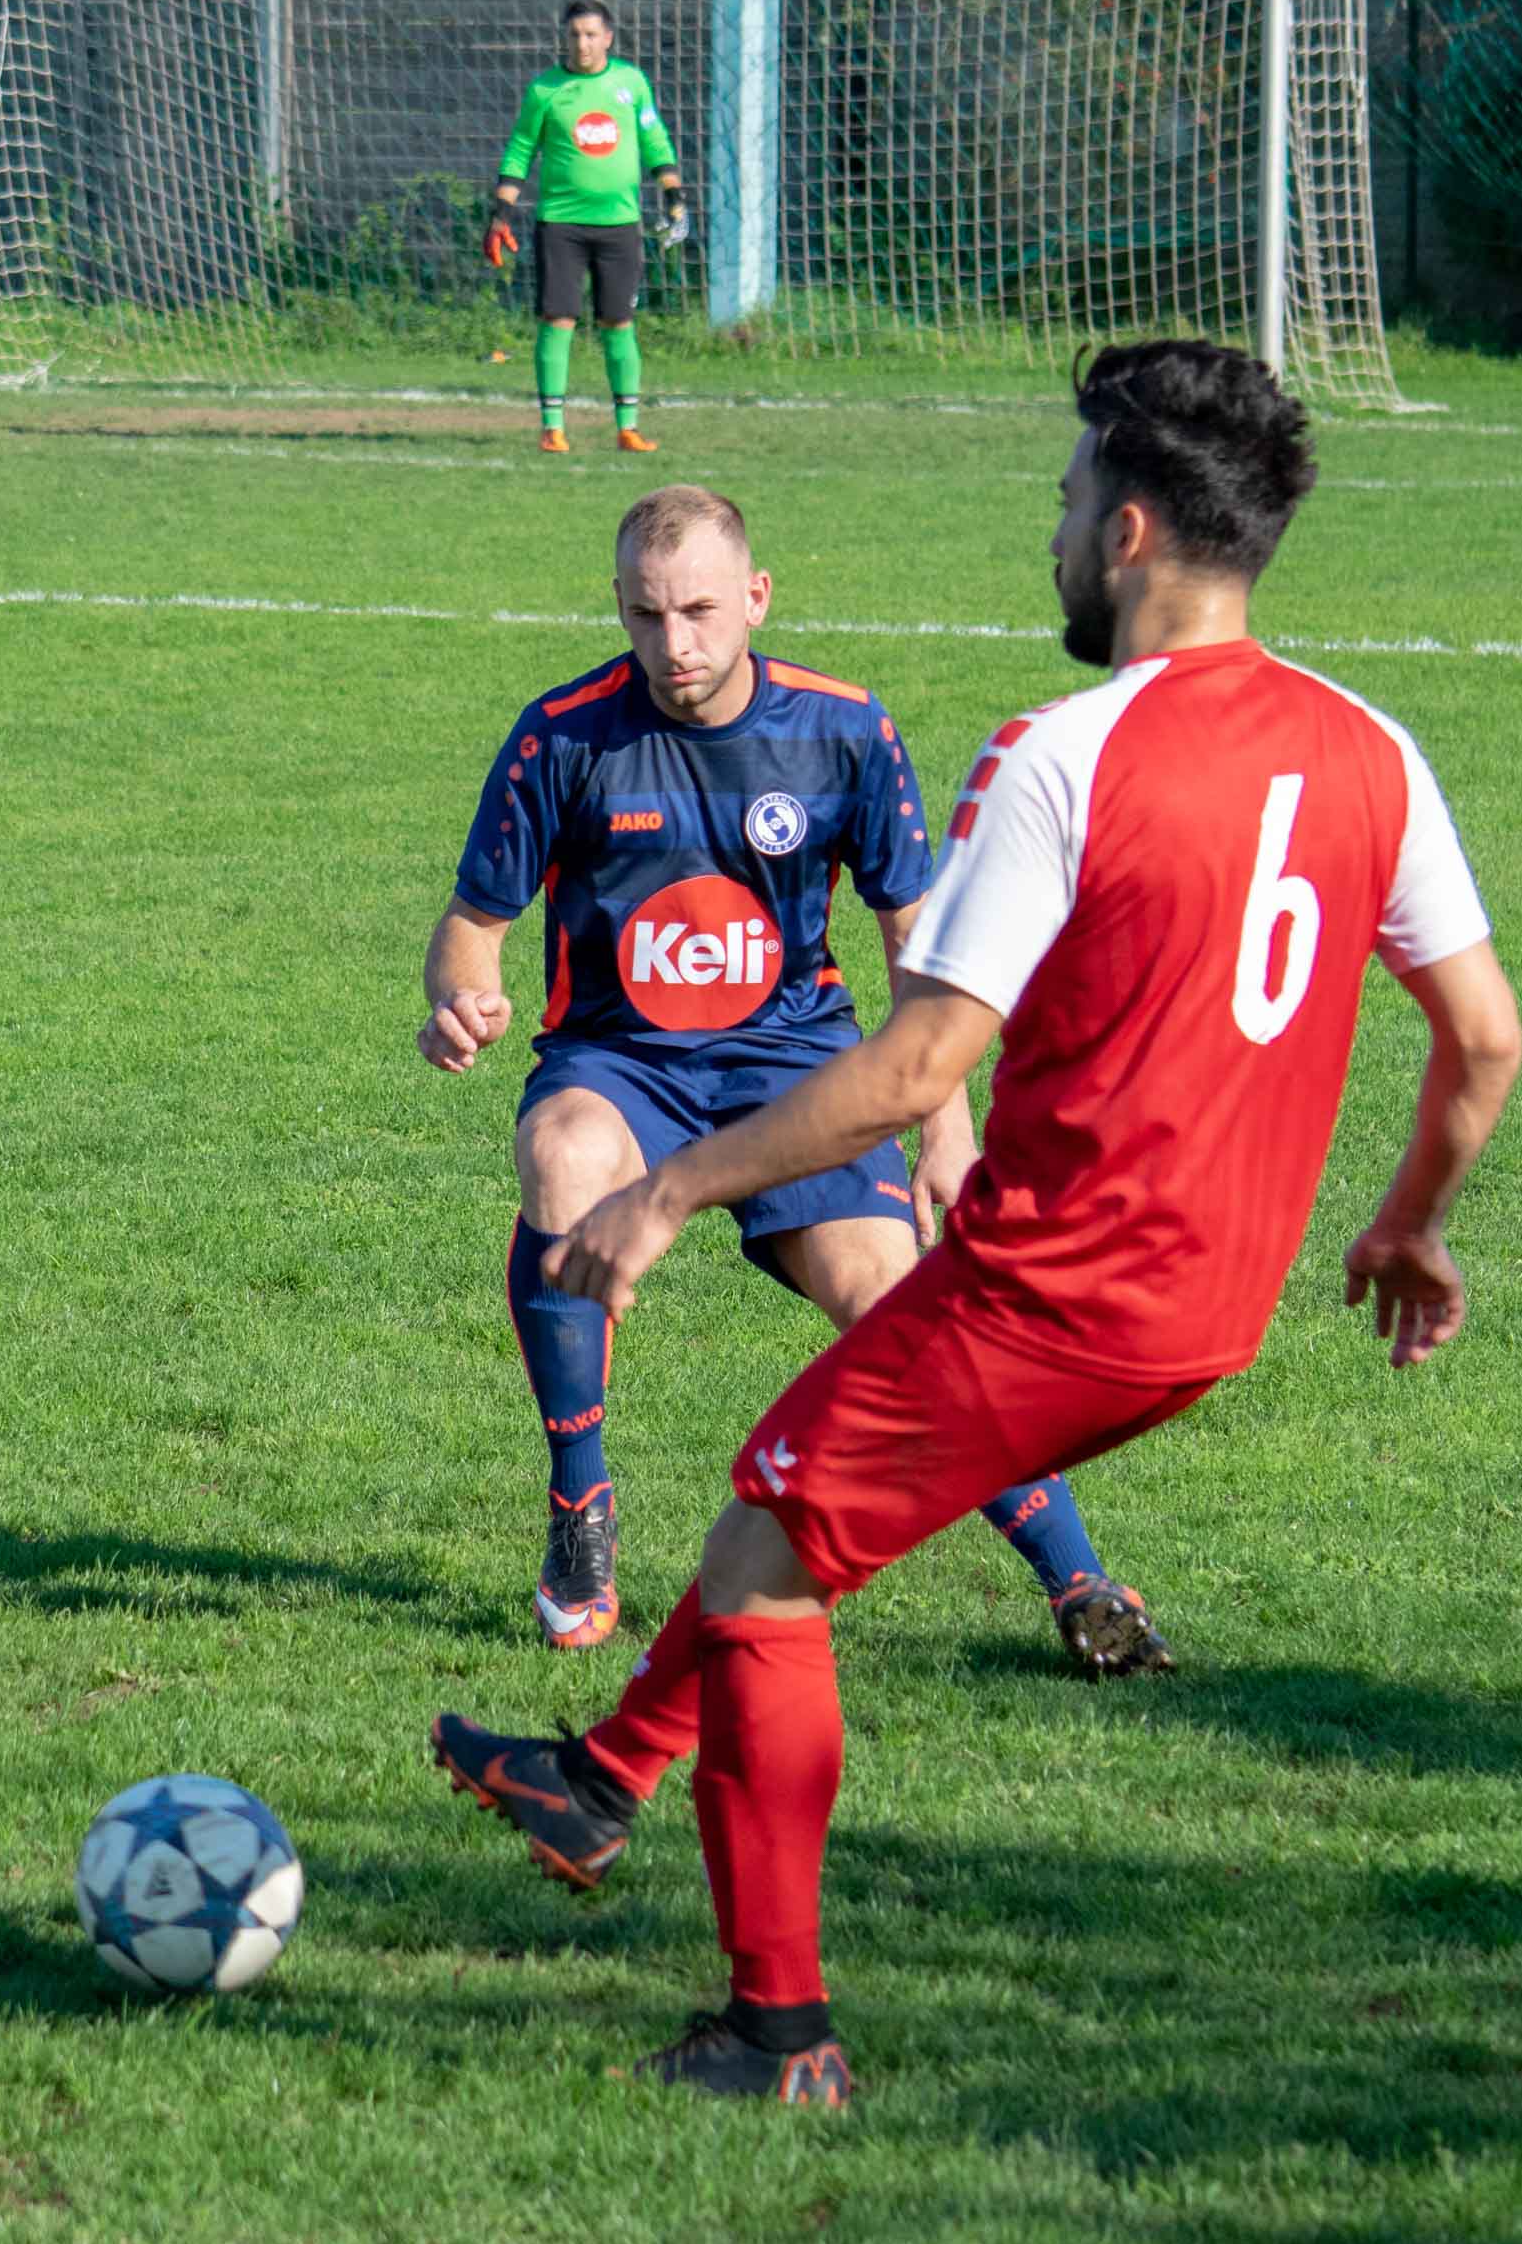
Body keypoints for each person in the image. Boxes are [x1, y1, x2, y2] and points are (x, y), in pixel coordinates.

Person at [428, 341, 1522, 2105]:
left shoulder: (1059, 753)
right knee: (792, 1494)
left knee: (760, 1561)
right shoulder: (1373, 749)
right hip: (1212, 1312)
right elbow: (1485, 1036)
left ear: (1133, 532)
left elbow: (910, 1066)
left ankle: (777, 2032)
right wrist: (1408, 1223)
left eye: (1070, 503)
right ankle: (601, 1779)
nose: (1056, 535)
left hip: (1049, 1291)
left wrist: (669, 1189)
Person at [421, 484, 1172, 1673]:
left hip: (794, 1065)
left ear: (756, 597)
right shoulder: (561, 734)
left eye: (700, 611)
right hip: (618, 1062)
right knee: (561, 1158)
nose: (675, 643)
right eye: (646, 614)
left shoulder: (842, 730)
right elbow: (472, 925)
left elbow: (917, 947)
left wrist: (945, 1127)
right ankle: (579, 1507)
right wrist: (460, 997)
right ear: (617, 607)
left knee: (893, 1310)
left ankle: (1078, 1579)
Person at [485, 0, 683, 457]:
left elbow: (654, 138)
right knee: (558, 319)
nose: (582, 43)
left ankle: (627, 428)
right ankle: (552, 428)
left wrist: (673, 192)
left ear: (608, 38)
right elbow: (520, 149)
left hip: (620, 224)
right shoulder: (546, 90)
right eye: (574, 34)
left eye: (591, 34)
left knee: (618, 322)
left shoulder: (631, 83)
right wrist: (501, 212)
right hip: (560, 224)